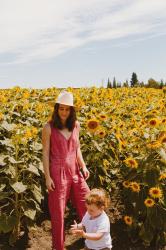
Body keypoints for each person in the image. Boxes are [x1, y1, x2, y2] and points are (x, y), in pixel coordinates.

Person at [42, 90, 90, 250]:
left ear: (71, 110)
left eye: (67, 109)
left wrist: (83, 165)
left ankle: (92, 240)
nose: (64, 112)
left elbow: (77, 149)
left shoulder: (76, 125)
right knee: (58, 215)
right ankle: (59, 247)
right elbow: (45, 153)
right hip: (57, 172)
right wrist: (47, 177)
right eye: (61, 108)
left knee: (88, 203)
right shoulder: (48, 127)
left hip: (75, 171)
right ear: (56, 109)